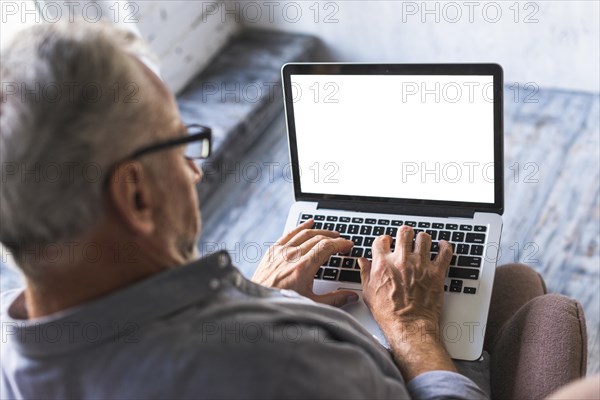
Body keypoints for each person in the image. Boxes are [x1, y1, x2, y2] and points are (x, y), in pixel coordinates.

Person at [0, 20, 511, 399]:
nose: (195, 171)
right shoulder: (285, 365)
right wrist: (410, 328)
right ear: (136, 195)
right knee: (524, 293)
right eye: (180, 145)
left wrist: (264, 297)